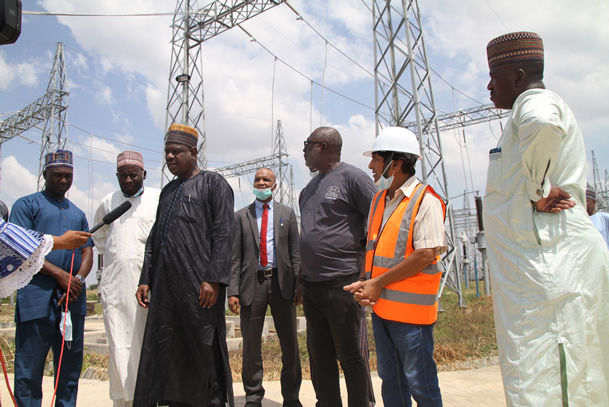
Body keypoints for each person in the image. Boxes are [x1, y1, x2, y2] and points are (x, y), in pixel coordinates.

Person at [483, 32, 609, 405]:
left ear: (519, 78)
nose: (489, 87)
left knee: (547, 377)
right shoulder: (523, 112)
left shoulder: (534, 102)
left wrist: (538, 190)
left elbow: (543, 123)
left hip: (548, 273)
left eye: (495, 77)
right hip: (538, 274)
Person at [133, 124, 235, 407]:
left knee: (202, 350)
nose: (169, 157)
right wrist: (146, 279)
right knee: (168, 353)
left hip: (200, 290)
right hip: (167, 293)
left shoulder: (214, 184)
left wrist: (213, 279)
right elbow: (154, 239)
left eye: (175, 151)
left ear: (193, 152)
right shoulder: (167, 192)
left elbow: (224, 233)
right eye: (166, 152)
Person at [344, 127, 446, 406]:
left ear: (396, 163)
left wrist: (376, 284)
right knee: (391, 381)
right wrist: (367, 283)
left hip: (412, 317)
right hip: (382, 310)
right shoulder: (379, 200)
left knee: (421, 384)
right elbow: (377, 252)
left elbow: (425, 255)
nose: (371, 166)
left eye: (376, 159)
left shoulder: (426, 200)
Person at [297, 126, 377, 407]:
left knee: (351, 354)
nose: (304, 151)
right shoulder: (308, 189)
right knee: (320, 355)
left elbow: (378, 223)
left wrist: (368, 273)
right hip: (312, 287)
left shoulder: (353, 178)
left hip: (344, 283)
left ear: (323, 147)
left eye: (307, 145)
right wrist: (300, 281)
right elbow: (307, 235)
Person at [10, 149, 94, 406]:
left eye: (68, 175)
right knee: (29, 372)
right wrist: (60, 275)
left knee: (68, 372)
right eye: (57, 175)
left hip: (71, 300)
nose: (63, 180)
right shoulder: (26, 206)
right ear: (45, 174)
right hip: (36, 299)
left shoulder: (78, 213)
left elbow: (87, 250)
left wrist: (76, 280)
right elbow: (20, 248)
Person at [228, 168, 302, 407]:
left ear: (275, 185)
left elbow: (296, 254)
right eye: (258, 179)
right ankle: (252, 396)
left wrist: (298, 285)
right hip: (253, 284)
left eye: (266, 180)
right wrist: (233, 290)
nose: (261, 182)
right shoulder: (241, 216)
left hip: (283, 284)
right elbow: (235, 258)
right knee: (251, 345)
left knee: (289, 344)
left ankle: (291, 396)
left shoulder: (288, 214)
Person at [93, 151, 161, 407]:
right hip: (116, 287)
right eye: (123, 176)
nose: (128, 180)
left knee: (146, 342)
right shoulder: (108, 202)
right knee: (119, 344)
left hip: (148, 287)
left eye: (133, 175)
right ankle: (125, 401)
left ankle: (148, 398)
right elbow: (100, 238)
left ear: (144, 174)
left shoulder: (157, 198)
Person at [0, 216, 90, 298]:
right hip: (36, 295)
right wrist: (62, 241)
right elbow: (13, 241)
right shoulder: (27, 204)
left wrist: (77, 282)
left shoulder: (79, 214)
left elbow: (87, 250)